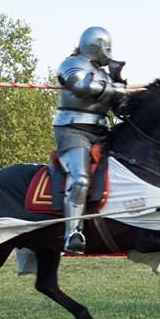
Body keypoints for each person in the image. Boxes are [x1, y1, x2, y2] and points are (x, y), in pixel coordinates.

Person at [53, 26, 127, 253]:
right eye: (107, 47)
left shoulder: (105, 74)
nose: (109, 52)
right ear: (96, 46)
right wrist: (112, 88)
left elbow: (121, 109)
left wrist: (121, 86)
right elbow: (81, 87)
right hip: (73, 129)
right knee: (80, 179)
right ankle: (72, 233)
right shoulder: (70, 63)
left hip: (102, 131)